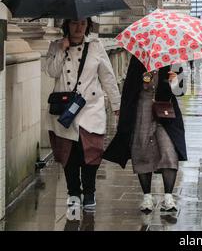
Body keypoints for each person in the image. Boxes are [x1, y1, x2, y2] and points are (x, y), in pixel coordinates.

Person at [46, 18, 121, 211]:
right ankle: (73, 193)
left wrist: (116, 105)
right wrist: (62, 49)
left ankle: (89, 191)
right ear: (66, 25)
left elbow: (108, 77)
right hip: (65, 110)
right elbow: (52, 72)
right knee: (69, 154)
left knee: (92, 152)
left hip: (90, 107)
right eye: (73, 23)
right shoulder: (55, 46)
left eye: (82, 23)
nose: (78, 27)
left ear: (87, 26)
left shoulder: (96, 47)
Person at [104, 57, 187, 213]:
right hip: (142, 110)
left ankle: (168, 197)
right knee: (141, 151)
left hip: (165, 113)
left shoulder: (173, 60)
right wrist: (142, 85)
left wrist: (174, 82)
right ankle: (147, 196)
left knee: (169, 150)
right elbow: (129, 89)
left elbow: (181, 91)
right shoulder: (137, 60)